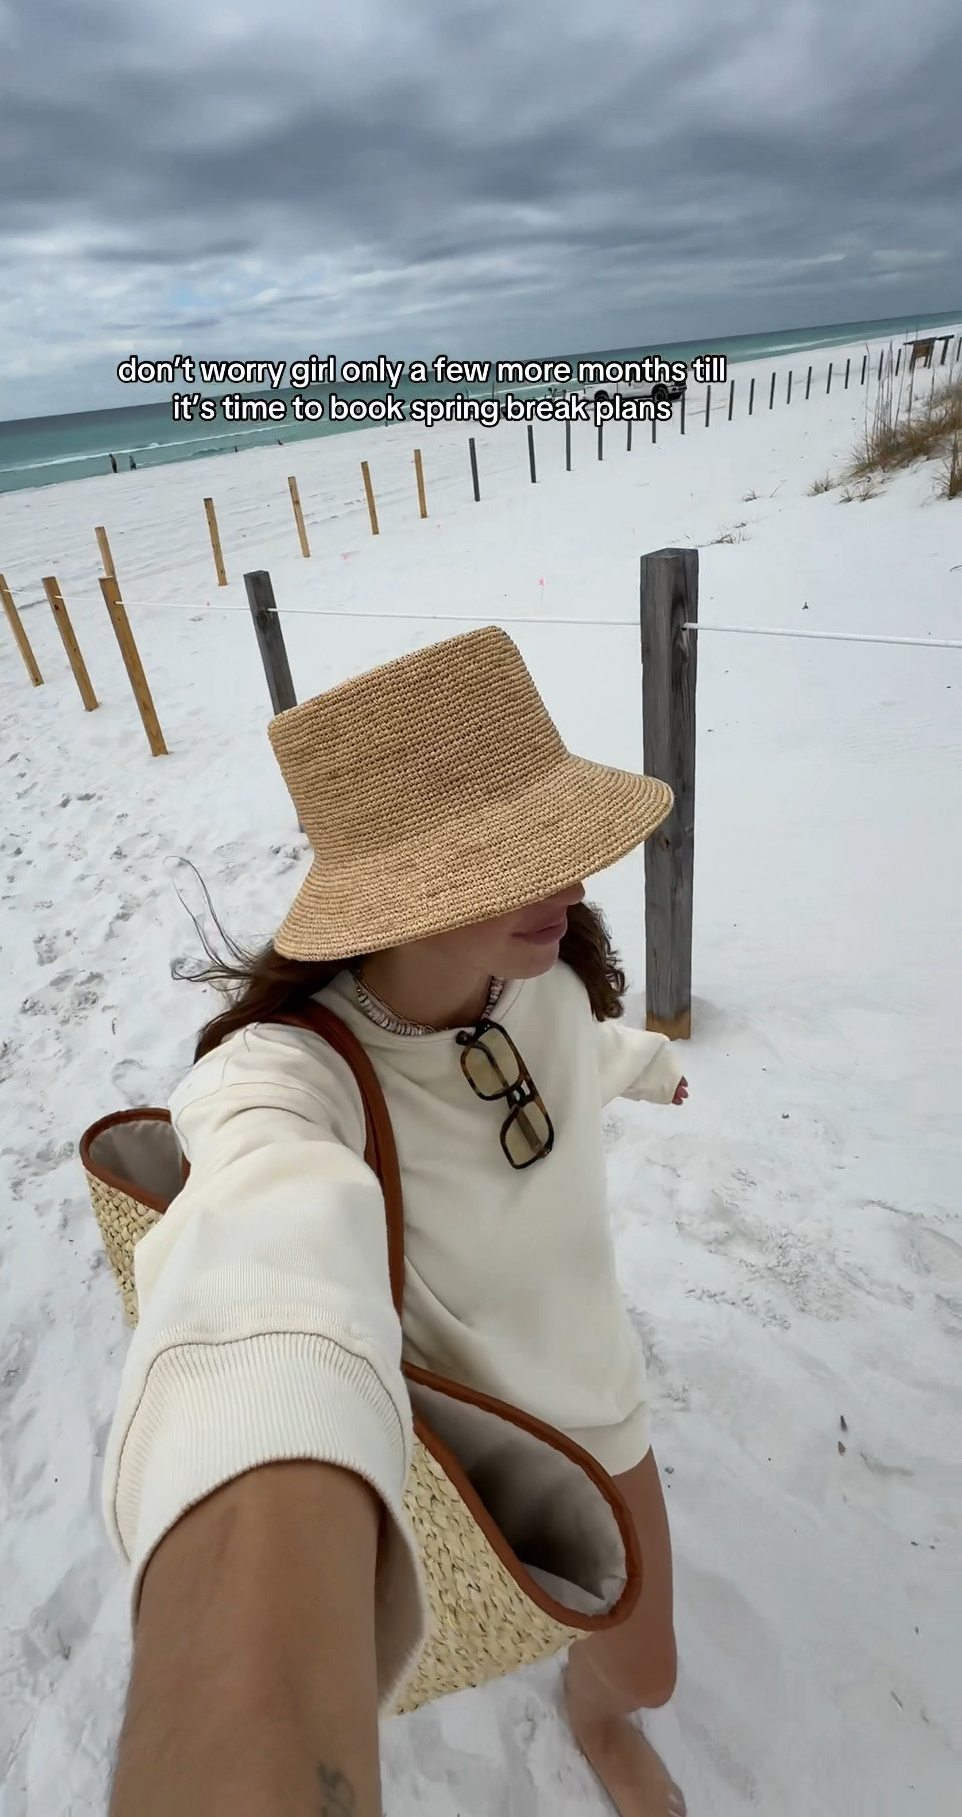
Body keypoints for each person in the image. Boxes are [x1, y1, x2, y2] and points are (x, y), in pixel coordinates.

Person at [103, 625, 690, 1817]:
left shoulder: (537, 975)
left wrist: (647, 1069)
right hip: (484, 1437)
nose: (576, 886)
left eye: (563, 846)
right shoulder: (290, 1075)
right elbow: (258, 1241)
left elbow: (579, 1046)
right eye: (521, 858)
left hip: (602, 1397)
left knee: (647, 1675)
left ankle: (596, 1709)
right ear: (407, 890)